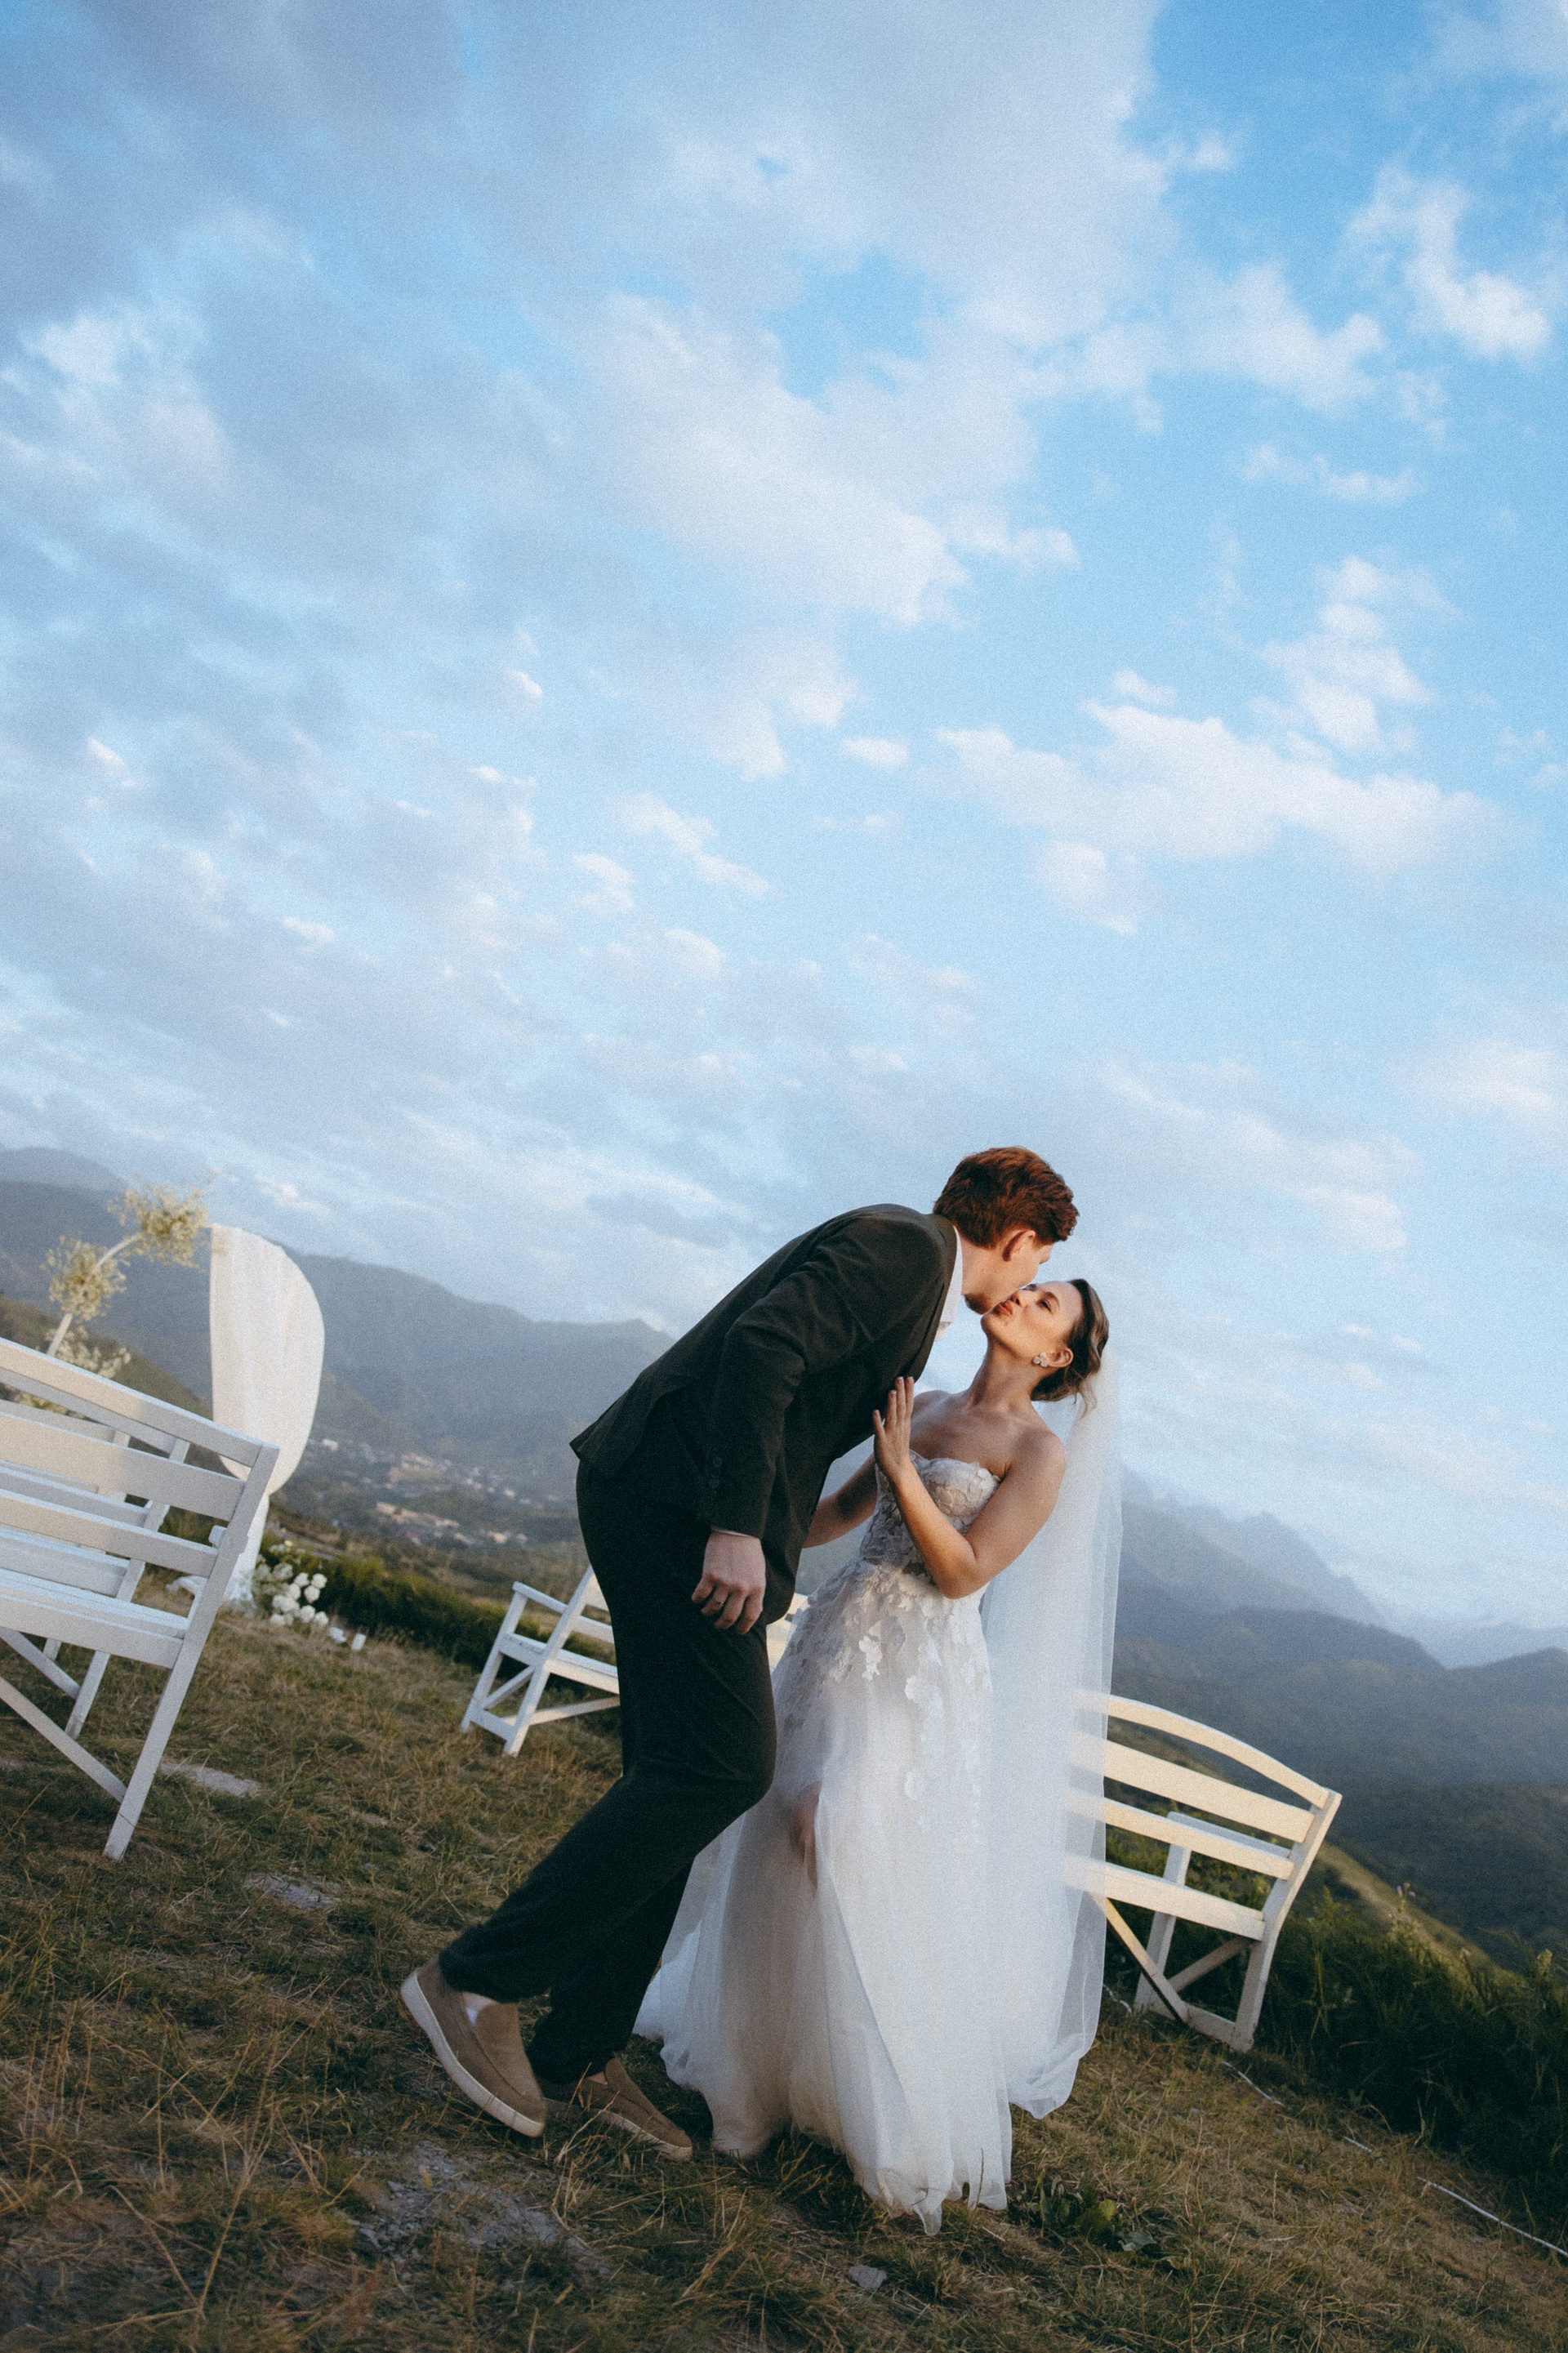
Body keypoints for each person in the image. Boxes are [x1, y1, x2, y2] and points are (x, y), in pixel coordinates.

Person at [402, 1148, 1080, 2155]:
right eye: (1039, 1266)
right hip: (673, 1507)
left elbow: (809, 1431)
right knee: (721, 1765)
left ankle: (580, 2048)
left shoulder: (917, 1281)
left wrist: (768, 1532)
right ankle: (474, 1982)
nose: (1028, 1284)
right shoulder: (904, 1251)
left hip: (675, 1503)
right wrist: (734, 1528)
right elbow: (765, 1347)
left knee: (680, 1771)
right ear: (1019, 1239)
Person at [637, 1277, 1117, 2231]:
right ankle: (756, 2077)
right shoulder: (924, 1401)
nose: (1021, 1297)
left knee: (841, 1828)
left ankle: (868, 2087)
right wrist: (744, 1524)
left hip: (921, 1668)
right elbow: (837, 1512)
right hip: (837, 1635)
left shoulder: (1039, 1452)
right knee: (775, 1825)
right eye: (1027, 1286)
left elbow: (967, 1570)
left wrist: (903, 1470)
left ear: (1055, 1356)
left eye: (1045, 1304)